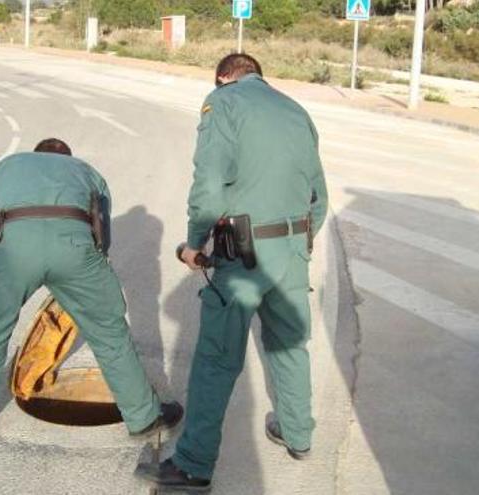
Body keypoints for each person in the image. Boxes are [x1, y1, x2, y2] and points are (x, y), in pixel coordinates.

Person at [135, 54, 328, 491]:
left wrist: (194, 241)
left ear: (223, 77)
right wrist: (299, 242)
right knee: (289, 345)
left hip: (243, 253)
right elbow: (319, 195)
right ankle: (298, 434)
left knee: (216, 358)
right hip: (293, 249)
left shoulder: (222, 103)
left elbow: (208, 183)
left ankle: (192, 466)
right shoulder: (297, 110)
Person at [0, 137, 182, 439]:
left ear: (37, 154)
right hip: (76, 250)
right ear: (67, 157)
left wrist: (0, 261)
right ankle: (143, 418)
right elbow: (102, 236)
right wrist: (81, 273)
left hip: (13, 251)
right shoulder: (86, 171)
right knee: (108, 332)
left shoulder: (8, 166)